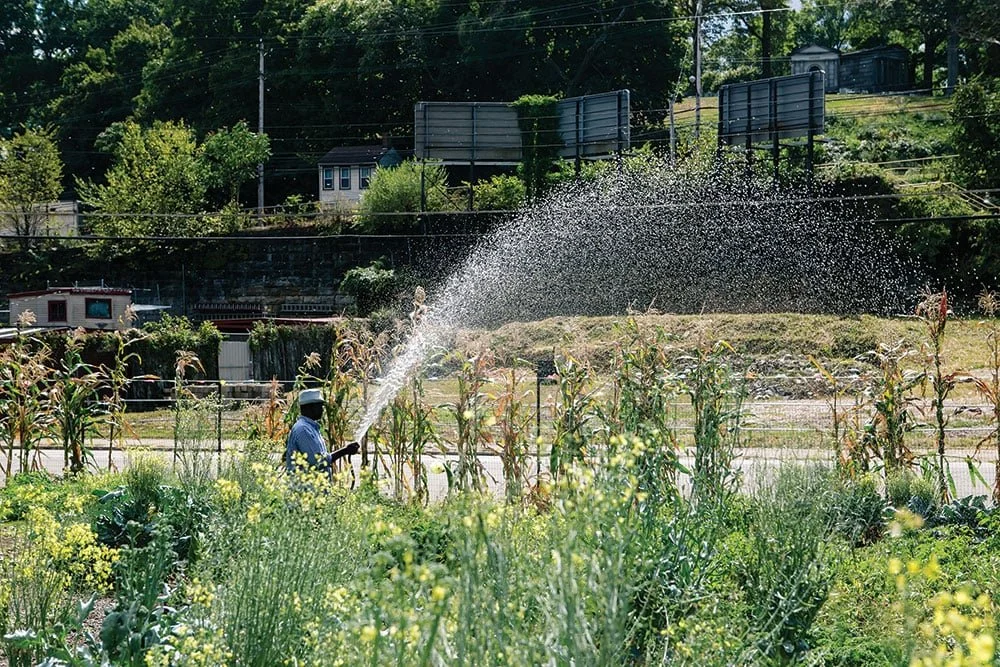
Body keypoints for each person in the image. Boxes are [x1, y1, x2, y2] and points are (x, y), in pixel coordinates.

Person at [284, 388, 359, 477]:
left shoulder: (311, 428)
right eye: (319, 406)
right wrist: (345, 451)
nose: (322, 410)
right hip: (305, 488)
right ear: (310, 407)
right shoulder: (303, 430)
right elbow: (318, 461)